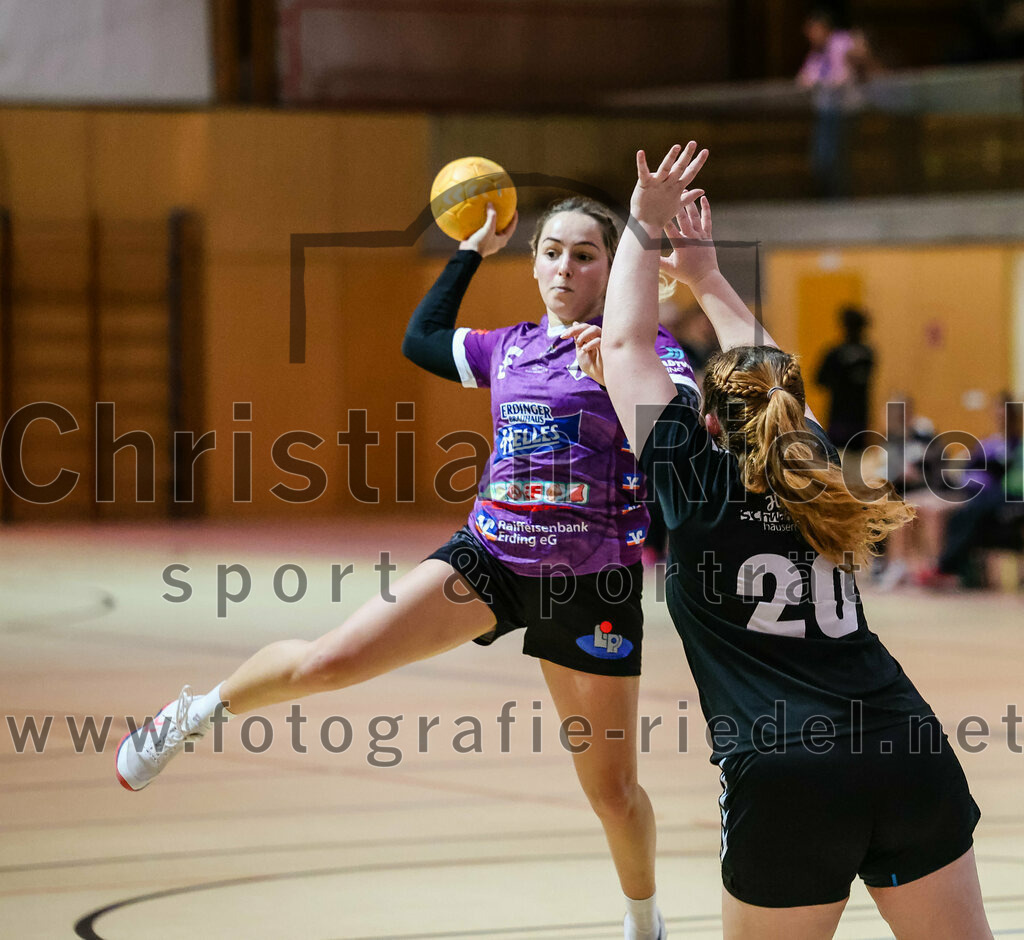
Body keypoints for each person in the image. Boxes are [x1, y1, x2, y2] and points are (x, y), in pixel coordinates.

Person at [114, 161, 708, 939]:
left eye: (586, 254)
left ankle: (643, 921)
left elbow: (680, 435)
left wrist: (622, 378)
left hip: (593, 584)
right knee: (331, 660)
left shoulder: (649, 351)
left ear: (612, 269)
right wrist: (468, 252)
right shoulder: (509, 348)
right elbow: (421, 339)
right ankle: (195, 713)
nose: (566, 267)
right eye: (552, 252)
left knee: (613, 794)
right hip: (489, 559)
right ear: (533, 265)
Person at [571, 144, 992, 938]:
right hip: (905, 744)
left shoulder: (693, 483)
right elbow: (771, 378)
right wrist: (707, 276)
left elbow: (625, 347)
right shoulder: (816, 463)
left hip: (786, 769)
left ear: (703, 420)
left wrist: (643, 221)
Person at [814, 305, 875, 449]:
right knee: (857, 457)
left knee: (837, 456)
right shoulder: (868, 354)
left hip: (839, 417)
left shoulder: (835, 353)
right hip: (859, 417)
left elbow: (819, 380)